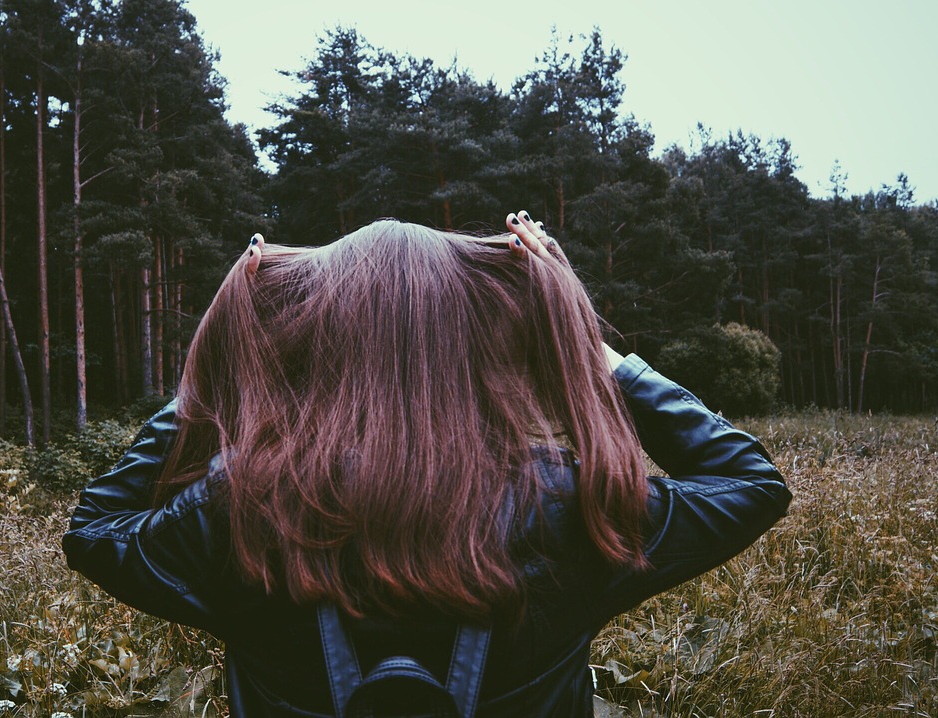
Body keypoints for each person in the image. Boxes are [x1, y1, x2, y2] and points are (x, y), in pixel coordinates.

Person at [63, 211, 791, 717]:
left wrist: (211, 379)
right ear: (479, 346)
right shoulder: (563, 504)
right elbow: (751, 485)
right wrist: (597, 360)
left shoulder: (244, 506)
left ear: (321, 343)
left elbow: (95, 532)